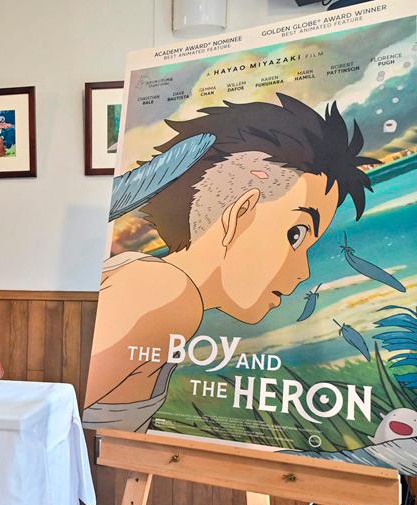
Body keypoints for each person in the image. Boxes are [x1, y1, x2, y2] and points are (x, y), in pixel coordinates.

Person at [83, 93, 377, 431]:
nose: (303, 272)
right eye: (296, 235)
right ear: (240, 214)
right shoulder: (165, 293)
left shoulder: (154, 282)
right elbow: (62, 419)